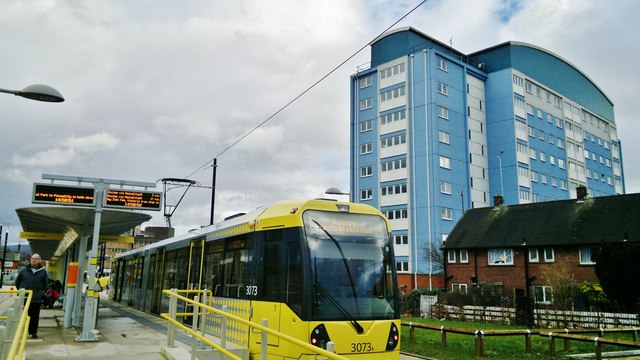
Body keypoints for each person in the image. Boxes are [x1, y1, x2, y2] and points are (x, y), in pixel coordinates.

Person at [15, 253, 49, 338]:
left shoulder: (43, 272)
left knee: (34, 316)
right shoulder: (24, 271)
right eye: (32, 258)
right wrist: (21, 291)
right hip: (24, 298)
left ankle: (33, 332)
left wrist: (39, 293)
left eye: (36, 258)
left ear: (39, 261)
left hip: (35, 298)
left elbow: (45, 284)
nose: (33, 260)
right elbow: (17, 282)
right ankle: (20, 332)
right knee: (22, 315)